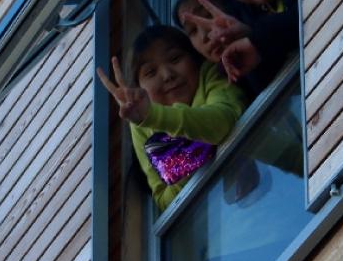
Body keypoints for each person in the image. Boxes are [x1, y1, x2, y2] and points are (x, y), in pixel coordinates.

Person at [98, 25, 244, 211]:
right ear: (139, 87)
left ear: (193, 57)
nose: (167, 75)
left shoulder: (212, 73)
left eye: (175, 59)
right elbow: (164, 200)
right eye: (151, 72)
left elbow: (224, 122)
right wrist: (193, 157)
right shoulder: (141, 124)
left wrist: (157, 119)